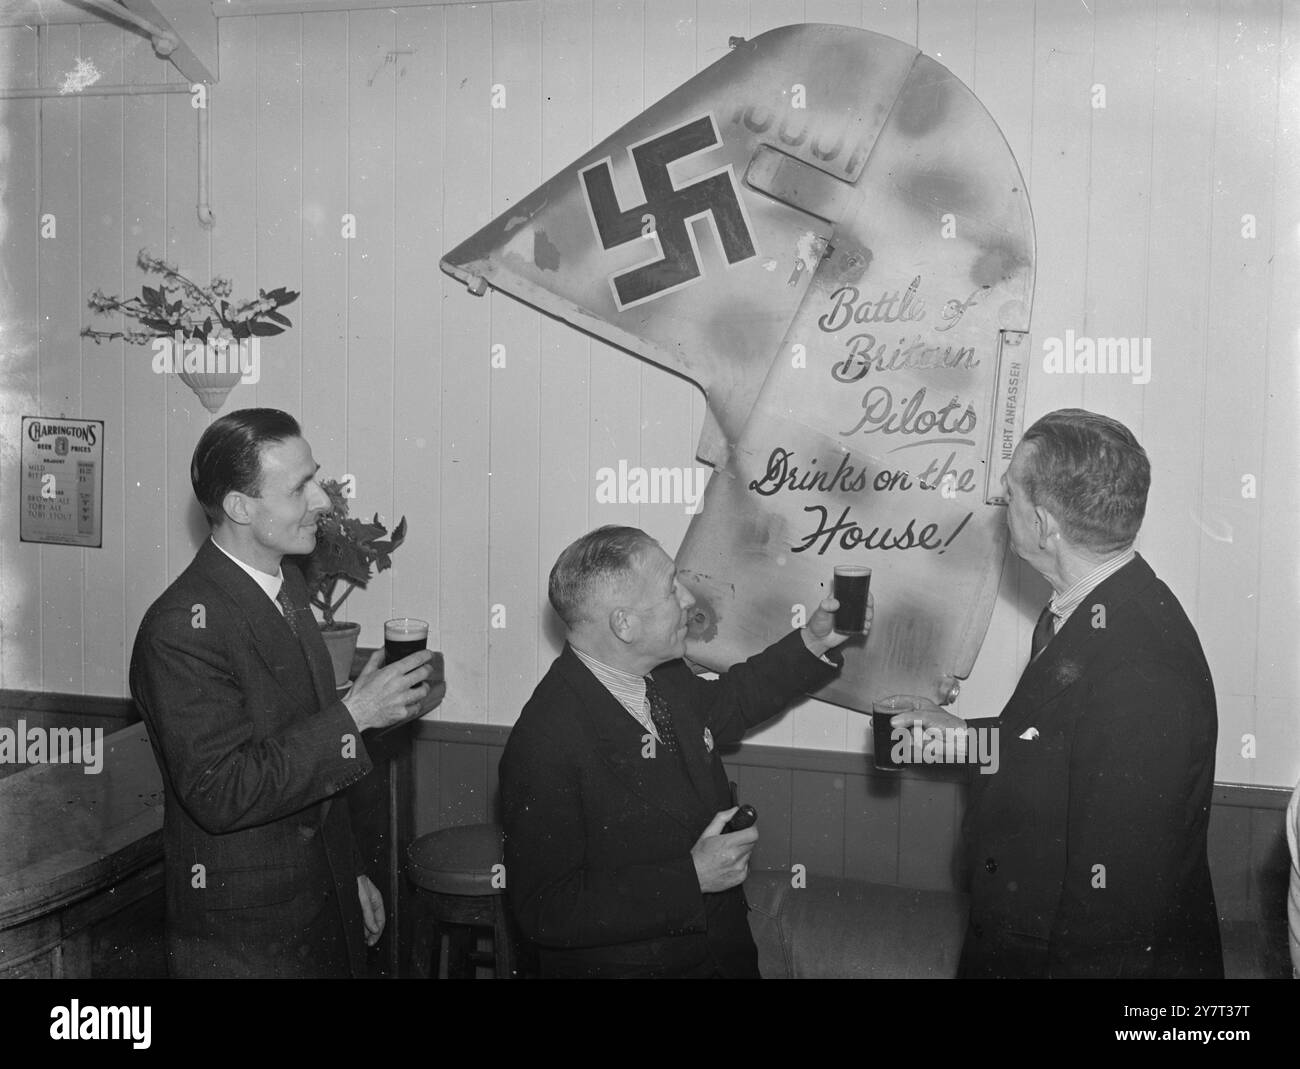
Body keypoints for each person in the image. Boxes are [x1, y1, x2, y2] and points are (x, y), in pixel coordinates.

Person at [890, 408, 1222, 978]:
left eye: (1011, 491)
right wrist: (968, 741)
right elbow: (1060, 749)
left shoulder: (1144, 668)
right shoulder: (1096, 609)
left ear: (1044, 524)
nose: (1001, 501)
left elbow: (1114, 915)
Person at [129, 408, 437, 978]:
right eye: (299, 488)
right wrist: (357, 713)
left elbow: (302, 753)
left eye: (314, 478)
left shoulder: (285, 585)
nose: (321, 500)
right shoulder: (179, 627)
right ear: (242, 508)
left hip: (318, 907)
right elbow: (222, 791)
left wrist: (351, 875)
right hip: (247, 942)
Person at [499, 525, 861, 977]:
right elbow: (546, 911)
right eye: (671, 588)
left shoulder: (662, 677)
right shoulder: (544, 740)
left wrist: (814, 642)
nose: (688, 600)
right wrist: (692, 878)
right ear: (623, 624)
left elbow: (732, 701)